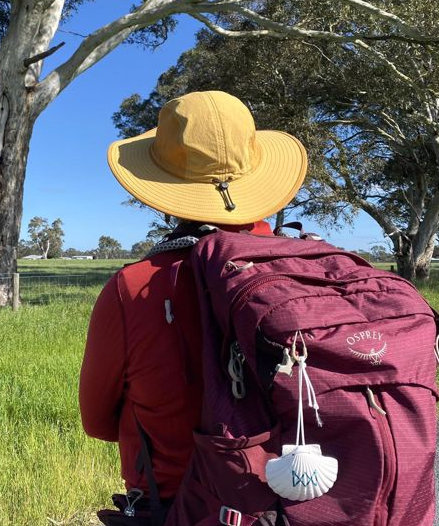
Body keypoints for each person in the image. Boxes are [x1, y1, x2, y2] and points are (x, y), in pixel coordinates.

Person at [79, 90, 307, 520]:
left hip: (180, 506)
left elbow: (97, 423)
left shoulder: (134, 287)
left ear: (165, 187)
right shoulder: (306, 270)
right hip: (302, 499)